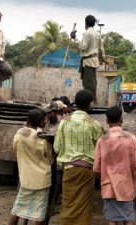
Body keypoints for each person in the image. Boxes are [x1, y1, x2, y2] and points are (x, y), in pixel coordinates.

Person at [54, 89, 104, 225]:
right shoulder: (94, 124)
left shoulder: (64, 122)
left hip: (69, 169)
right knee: (85, 206)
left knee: (68, 203)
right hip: (87, 170)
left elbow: (57, 148)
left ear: (75, 103)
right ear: (89, 105)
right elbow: (101, 149)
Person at [93, 106, 136, 225]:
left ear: (107, 121)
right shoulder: (131, 138)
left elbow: (96, 170)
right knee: (128, 219)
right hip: (126, 186)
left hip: (109, 187)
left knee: (112, 220)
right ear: (122, 120)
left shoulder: (102, 140)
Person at [8, 109, 53, 225]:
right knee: (39, 213)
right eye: (44, 120)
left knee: (17, 209)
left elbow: (14, 149)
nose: (45, 121)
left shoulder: (18, 135)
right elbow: (50, 160)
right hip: (42, 179)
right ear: (40, 122)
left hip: (25, 178)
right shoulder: (42, 139)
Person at [70, 15, 104, 105]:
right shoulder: (97, 33)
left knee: (89, 84)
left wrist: (75, 38)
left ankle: (92, 102)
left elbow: (83, 47)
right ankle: (93, 101)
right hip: (93, 60)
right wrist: (102, 59)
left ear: (85, 23)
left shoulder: (87, 33)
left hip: (88, 61)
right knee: (91, 81)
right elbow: (101, 49)